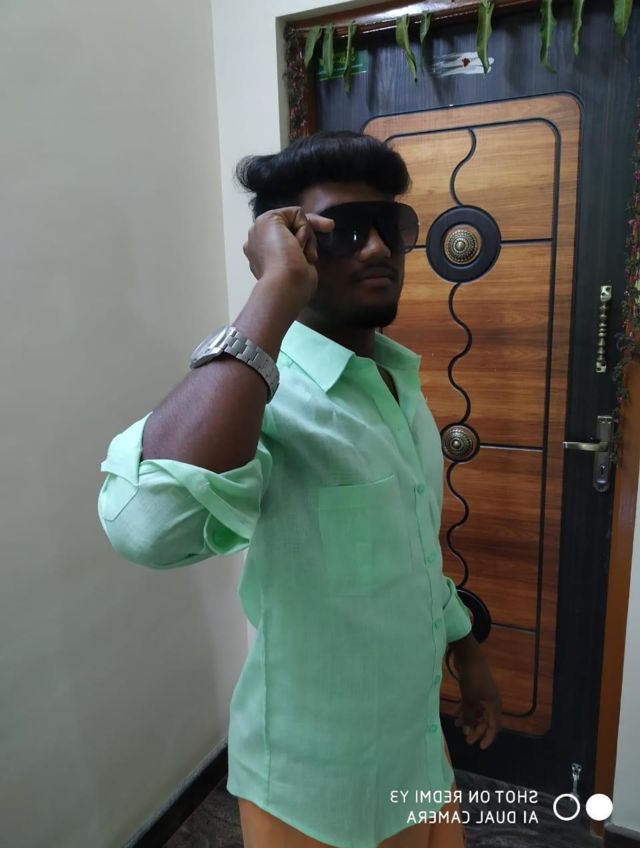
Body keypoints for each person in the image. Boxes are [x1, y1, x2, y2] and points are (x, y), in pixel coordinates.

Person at [97, 130, 502, 848]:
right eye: (342, 231)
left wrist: (466, 652)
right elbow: (143, 526)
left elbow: (410, 554)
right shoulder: (262, 404)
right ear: (289, 247)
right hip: (314, 787)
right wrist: (272, 294)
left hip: (416, 752)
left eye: (390, 226)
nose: (376, 248)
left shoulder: (398, 385)